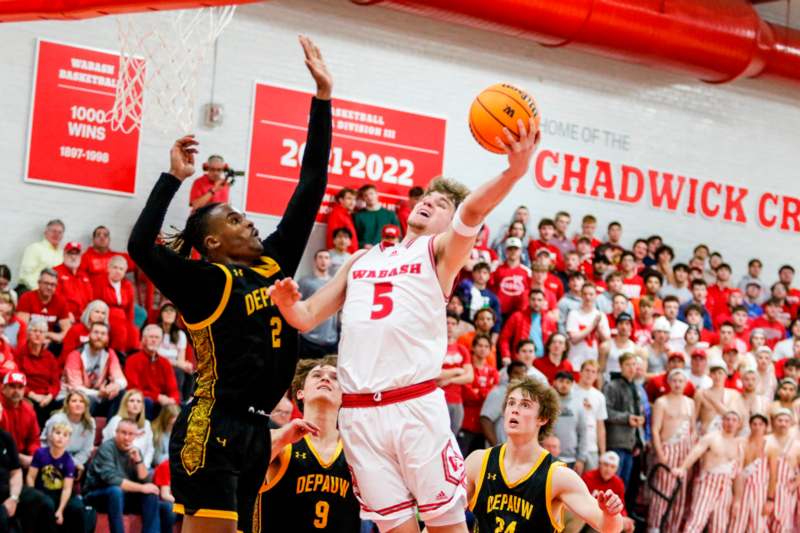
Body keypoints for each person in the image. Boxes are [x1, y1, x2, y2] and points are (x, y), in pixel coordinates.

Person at [271, 115, 540, 532]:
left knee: (445, 525)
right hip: (359, 415)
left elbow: (473, 209)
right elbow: (306, 318)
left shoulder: (440, 254)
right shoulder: (362, 259)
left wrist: (513, 171)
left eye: (442, 204)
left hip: (413, 406)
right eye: (427, 197)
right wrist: (288, 305)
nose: (428, 202)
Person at [126, 36, 333, 533]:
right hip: (213, 423)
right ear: (214, 242)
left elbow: (311, 184)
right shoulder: (209, 282)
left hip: (259, 429)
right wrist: (172, 179)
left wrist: (323, 98)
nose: (250, 224)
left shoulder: (274, 263)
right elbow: (139, 248)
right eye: (236, 221)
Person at [464, 378, 624, 533]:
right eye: (511, 402)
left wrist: (611, 514)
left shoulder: (558, 476)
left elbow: (609, 528)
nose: (514, 409)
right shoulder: (478, 461)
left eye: (525, 405)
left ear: (542, 418)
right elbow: (446, 513)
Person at [258, 356, 360, 531]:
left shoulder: (355, 449)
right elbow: (243, 466)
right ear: (300, 393)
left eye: (335, 378)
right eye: (317, 375)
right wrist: (283, 437)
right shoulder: (278, 439)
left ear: (344, 396)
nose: (325, 378)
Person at [84, 418, 161, 533]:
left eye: (131, 434)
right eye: (123, 433)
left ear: (135, 436)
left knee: (151, 494)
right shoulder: (106, 448)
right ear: (116, 432)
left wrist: (138, 461)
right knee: (115, 491)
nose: (126, 437)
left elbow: (145, 480)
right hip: (97, 495)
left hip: (123, 497)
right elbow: (111, 479)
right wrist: (142, 488)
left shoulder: (135, 451)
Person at [672, 411, 744, 533]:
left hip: (726, 486)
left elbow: (738, 475)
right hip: (707, 483)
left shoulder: (739, 447)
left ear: (739, 424)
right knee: (696, 520)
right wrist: (682, 468)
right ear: (722, 421)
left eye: (734, 420)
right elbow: (696, 452)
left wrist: (737, 500)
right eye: (727, 419)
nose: (730, 423)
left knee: (719, 525)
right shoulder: (712, 437)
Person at [648, 368, 694, 533]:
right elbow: (655, 429)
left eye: (681, 381)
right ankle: (654, 526)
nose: (677, 384)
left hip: (685, 452)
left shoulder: (690, 402)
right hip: (668, 449)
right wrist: (660, 453)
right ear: (668, 382)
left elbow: (692, 430)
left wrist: (689, 458)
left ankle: (672, 529)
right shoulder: (662, 402)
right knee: (662, 492)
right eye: (674, 380)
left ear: (685, 383)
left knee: (680, 495)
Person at [25, 422, 85, 530]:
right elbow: (30, 477)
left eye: (65, 435)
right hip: (41, 491)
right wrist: (32, 495)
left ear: (68, 440)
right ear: (50, 435)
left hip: (59, 493)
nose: (61, 437)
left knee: (78, 507)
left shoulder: (69, 461)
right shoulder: (40, 453)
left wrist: (60, 510)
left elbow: (67, 489)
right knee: (47, 504)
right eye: (58, 433)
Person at [60, 321, 126, 416]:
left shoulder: (109, 354)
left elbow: (122, 380)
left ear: (107, 338)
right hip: (70, 398)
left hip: (97, 396)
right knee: (88, 400)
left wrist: (115, 386)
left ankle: (112, 428)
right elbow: (76, 388)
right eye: (96, 332)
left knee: (121, 393)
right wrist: (98, 393)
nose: (99, 336)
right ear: (89, 335)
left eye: (103, 334)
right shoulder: (76, 355)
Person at [0, 423, 54, 532]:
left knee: (45, 503)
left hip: (7, 488)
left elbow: (15, 472)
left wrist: (14, 498)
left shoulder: (5, 437)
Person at [602, 353, 645, 488]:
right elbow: (606, 412)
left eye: (634, 364)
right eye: (627, 364)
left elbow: (639, 411)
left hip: (631, 443)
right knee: (613, 483)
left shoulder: (636, 387)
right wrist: (627, 418)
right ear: (621, 366)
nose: (631, 368)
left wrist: (640, 420)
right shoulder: (612, 386)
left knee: (623, 485)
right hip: (616, 442)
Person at [124, 325, 180, 419]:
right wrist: (157, 397)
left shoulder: (165, 362)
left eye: (157, 337)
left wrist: (173, 400)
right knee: (147, 402)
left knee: (180, 406)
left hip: (162, 402)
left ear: (160, 341)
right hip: (143, 400)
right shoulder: (132, 360)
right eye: (151, 337)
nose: (154, 340)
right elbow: (133, 389)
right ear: (144, 339)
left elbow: (173, 388)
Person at [15, 317, 61, 427]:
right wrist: (33, 395)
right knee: (32, 408)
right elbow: (18, 381)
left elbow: (55, 383)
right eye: (34, 331)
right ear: (28, 333)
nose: (38, 334)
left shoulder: (50, 357)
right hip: (28, 395)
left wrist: (49, 396)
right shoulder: (20, 354)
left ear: (45, 336)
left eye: (41, 332)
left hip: (46, 397)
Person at [460, 334, 500, 455]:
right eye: (480, 345)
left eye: (486, 346)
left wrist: (478, 390)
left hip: (485, 427)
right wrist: (485, 391)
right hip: (466, 423)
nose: (483, 349)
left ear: (490, 350)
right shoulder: (466, 369)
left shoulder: (493, 371)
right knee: (462, 459)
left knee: (481, 462)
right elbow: (467, 395)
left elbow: (494, 396)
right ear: (473, 348)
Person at [729, 414, 769, 533]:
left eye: (760, 424)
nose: (757, 427)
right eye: (754, 424)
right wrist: (736, 498)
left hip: (761, 489)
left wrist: (771, 498)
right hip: (742, 486)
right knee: (737, 522)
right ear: (750, 426)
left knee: (757, 524)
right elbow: (739, 471)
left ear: (766, 427)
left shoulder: (770, 445)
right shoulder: (741, 442)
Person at [40, 390, 95, 474]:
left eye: (81, 401)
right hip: (52, 456)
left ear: (86, 406)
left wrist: (75, 462)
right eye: (74, 401)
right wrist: (69, 462)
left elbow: (86, 450)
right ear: (67, 405)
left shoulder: (90, 423)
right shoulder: (57, 419)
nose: (78, 404)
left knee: (86, 467)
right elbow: (49, 444)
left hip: (75, 458)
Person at [92, 255, 138, 354]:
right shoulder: (100, 281)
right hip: (106, 316)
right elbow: (95, 303)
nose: (118, 271)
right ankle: (116, 354)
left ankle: (131, 356)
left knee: (134, 331)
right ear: (109, 268)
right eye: (115, 267)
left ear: (124, 272)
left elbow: (130, 309)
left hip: (123, 317)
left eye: (121, 269)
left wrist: (130, 323)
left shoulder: (127, 285)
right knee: (120, 330)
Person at [763, 408, 799, 532]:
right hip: (765, 486)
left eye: (786, 421)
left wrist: (796, 483)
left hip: (786, 489)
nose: (783, 423)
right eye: (780, 420)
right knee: (762, 522)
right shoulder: (765, 440)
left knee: (782, 523)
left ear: (790, 423)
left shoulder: (796, 444)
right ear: (773, 422)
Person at [298, 250, 339, 357]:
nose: (323, 261)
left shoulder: (336, 283)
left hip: (331, 339)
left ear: (330, 262)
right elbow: (298, 307)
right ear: (315, 261)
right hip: (309, 339)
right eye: (320, 257)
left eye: (326, 258)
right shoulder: (305, 282)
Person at [580, 452, 635, 533]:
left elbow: (621, 505)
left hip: (605, 518)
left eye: (612, 467)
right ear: (600, 464)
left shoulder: (618, 483)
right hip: (586, 516)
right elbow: (581, 503)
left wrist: (624, 519)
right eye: (606, 465)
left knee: (628, 526)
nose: (608, 469)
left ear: (616, 469)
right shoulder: (588, 477)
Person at [439, 312, 473, 436]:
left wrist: (449, 380)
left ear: (457, 327)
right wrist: (457, 371)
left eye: (453, 323)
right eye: (447, 323)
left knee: (454, 437)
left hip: (457, 401)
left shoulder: (462, 349)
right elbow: (435, 374)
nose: (450, 326)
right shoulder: (437, 347)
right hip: (440, 399)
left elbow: (470, 377)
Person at [16, 269, 71, 344]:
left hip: (49, 341)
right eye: (46, 283)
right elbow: (22, 329)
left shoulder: (61, 301)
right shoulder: (27, 298)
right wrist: (40, 339)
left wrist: (48, 335)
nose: (49, 287)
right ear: (39, 283)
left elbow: (67, 332)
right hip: (28, 341)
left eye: (52, 285)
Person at [498, 289, 556, 361]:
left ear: (544, 302)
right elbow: (504, 338)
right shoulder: (517, 316)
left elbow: (553, 341)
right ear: (528, 300)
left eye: (539, 300)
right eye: (533, 299)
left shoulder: (549, 320)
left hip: (542, 361)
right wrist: (506, 355)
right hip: (520, 360)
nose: (536, 303)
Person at [102, 390, 155, 468]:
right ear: (125, 404)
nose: (135, 404)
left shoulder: (146, 424)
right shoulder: (116, 421)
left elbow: (150, 450)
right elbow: (109, 447)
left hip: (141, 466)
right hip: (118, 466)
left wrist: (144, 466)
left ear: (142, 406)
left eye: (139, 401)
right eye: (132, 401)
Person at [480, 361, 527, 447]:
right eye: (516, 373)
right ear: (509, 374)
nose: (520, 377)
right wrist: (496, 448)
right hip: (500, 452)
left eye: (523, 374)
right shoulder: (499, 393)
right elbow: (485, 419)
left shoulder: (523, 395)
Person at [694, 358, 745, 435]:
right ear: (710, 375)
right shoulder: (701, 393)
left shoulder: (734, 394)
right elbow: (693, 418)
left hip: (726, 436)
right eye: (714, 373)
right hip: (706, 435)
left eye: (720, 373)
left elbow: (737, 419)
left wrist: (712, 400)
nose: (717, 376)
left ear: (726, 375)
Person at [573, 360, 608, 470]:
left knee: (590, 484)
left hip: (592, 447)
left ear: (597, 375)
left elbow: (600, 426)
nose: (589, 374)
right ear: (580, 372)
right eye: (587, 370)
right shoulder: (571, 391)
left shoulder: (599, 396)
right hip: (573, 447)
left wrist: (602, 453)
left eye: (593, 372)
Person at [566, 283, 610, 372]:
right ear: (581, 295)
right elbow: (574, 339)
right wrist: (592, 326)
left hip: (593, 361)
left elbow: (606, 340)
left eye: (591, 294)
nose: (588, 297)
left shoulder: (600, 315)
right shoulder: (574, 314)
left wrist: (598, 329)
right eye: (585, 294)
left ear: (595, 296)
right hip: (575, 361)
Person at [0, 372, 40, 468]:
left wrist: (33, 456)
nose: (16, 391)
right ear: (3, 388)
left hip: (24, 458)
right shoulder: (0, 408)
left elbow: (34, 439)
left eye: (20, 387)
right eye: (12, 386)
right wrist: (17, 457)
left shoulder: (29, 410)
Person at [552, 371, 589, 473]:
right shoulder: (548, 402)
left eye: (568, 382)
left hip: (572, 459)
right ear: (554, 382)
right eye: (561, 381)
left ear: (572, 384)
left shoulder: (578, 404)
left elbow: (583, 432)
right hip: (550, 457)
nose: (564, 385)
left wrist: (581, 459)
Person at [154, 302, 192, 400]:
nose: (169, 313)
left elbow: (181, 359)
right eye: (166, 311)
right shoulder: (155, 331)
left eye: (172, 311)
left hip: (175, 367)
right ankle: (176, 400)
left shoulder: (180, 334)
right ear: (161, 314)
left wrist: (185, 365)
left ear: (176, 315)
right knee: (178, 371)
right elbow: (155, 355)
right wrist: (178, 364)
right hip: (156, 364)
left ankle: (182, 401)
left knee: (188, 373)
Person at [17, 219, 65, 291]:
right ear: (45, 233)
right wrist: (40, 291)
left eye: (60, 232)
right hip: (31, 290)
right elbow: (26, 275)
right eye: (53, 231)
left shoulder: (63, 254)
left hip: (52, 294)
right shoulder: (34, 248)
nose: (56, 234)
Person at [490, 237, 531, 320]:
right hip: (500, 312)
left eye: (515, 249)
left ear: (520, 251)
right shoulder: (497, 269)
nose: (513, 252)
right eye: (510, 249)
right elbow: (491, 288)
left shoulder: (527, 272)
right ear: (506, 251)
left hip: (519, 313)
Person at [61, 299, 109, 365]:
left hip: (96, 367)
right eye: (97, 312)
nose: (100, 316)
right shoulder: (76, 330)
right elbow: (66, 354)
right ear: (89, 312)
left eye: (103, 313)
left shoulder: (106, 332)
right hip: (73, 365)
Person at [53, 241, 93, 321]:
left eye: (76, 254)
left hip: (84, 317)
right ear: (64, 255)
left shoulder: (84, 275)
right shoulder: (56, 272)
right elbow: (55, 297)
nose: (73, 257)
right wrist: (66, 313)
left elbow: (90, 298)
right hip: (65, 316)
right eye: (70, 253)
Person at [599, 312, 640, 384]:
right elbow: (599, 371)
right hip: (609, 384)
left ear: (631, 327)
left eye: (627, 324)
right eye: (621, 323)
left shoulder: (636, 349)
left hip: (627, 385)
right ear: (616, 326)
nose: (624, 327)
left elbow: (639, 375)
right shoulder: (605, 346)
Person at [150, 403, 179, 468]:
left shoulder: (180, 432)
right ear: (165, 419)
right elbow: (157, 460)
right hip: (161, 468)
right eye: (172, 423)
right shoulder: (157, 433)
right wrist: (176, 454)